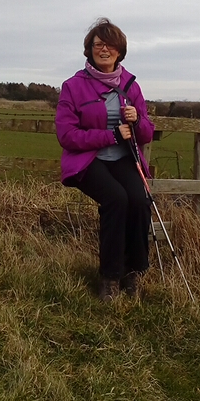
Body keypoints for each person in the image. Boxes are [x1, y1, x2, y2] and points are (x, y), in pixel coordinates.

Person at [55, 17, 155, 301]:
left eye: (110, 45)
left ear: (119, 50)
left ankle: (134, 272)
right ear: (90, 50)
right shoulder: (73, 86)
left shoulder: (131, 85)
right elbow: (67, 135)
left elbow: (147, 133)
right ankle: (110, 277)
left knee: (139, 201)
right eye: (98, 44)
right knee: (116, 199)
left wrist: (137, 121)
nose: (104, 49)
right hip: (87, 160)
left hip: (123, 158)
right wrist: (110, 135)